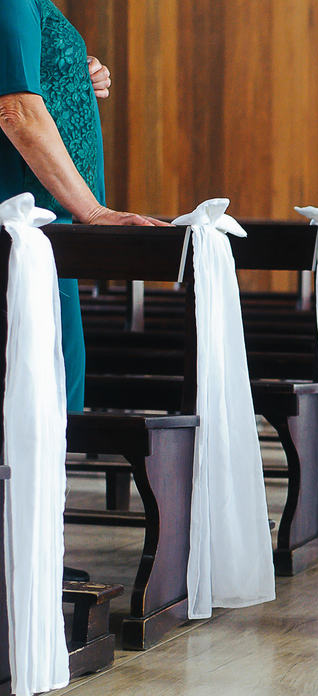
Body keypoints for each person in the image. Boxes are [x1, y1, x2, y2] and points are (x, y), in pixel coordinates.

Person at [0, 0, 166, 413]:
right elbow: (16, 112)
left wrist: (72, 72)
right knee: (43, 406)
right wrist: (93, 212)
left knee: (55, 401)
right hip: (29, 236)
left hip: (49, 234)